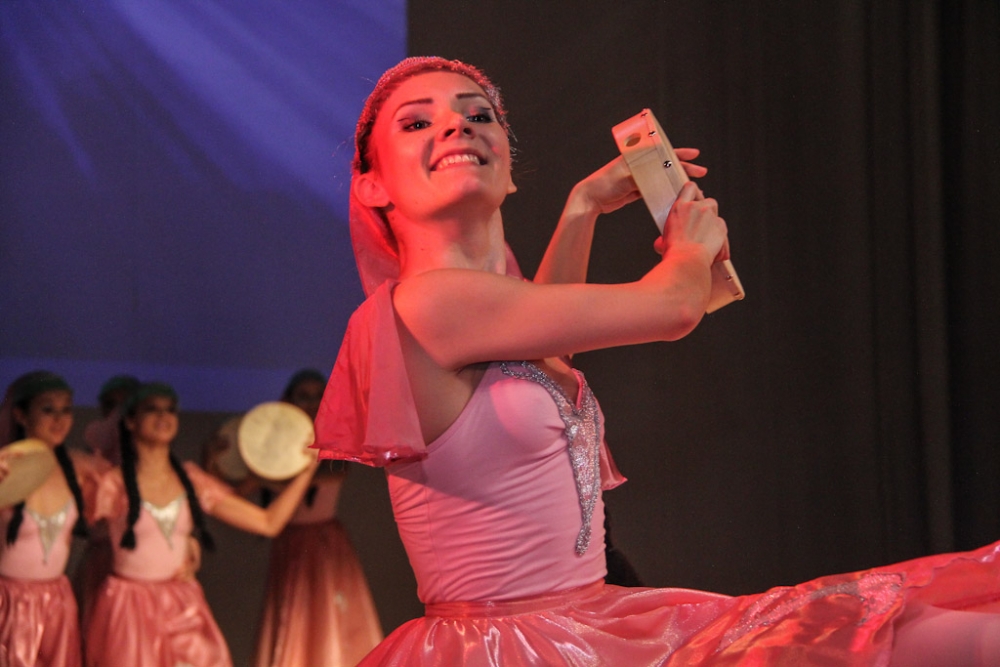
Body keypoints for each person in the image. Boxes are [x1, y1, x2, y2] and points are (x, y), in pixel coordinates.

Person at [312, 56, 1000, 666]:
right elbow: (672, 307)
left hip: (587, 622)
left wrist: (583, 207)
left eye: (478, 114)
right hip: (511, 645)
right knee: (895, 635)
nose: (456, 126)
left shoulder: (487, 312)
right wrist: (693, 247)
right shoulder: (429, 302)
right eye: (417, 122)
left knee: (907, 629)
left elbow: (548, 353)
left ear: (510, 168)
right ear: (371, 186)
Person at [84, 382, 320, 667]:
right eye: (152, 409)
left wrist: (307, 470)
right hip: (128, 609)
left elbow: (268, 523)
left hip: (181, 609)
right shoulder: (113, 483)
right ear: (131, 421)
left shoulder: (191, 480)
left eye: (170, 409)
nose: (164, 416)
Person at [251, 369, 383, 667]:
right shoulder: (273, 449)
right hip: (292, 542)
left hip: (324, 542)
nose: (311, 403)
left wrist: (273, 478)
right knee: (293, 613)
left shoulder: (335, 443)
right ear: (289, 401)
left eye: (317, 397)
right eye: (304, 397)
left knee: (329, 612)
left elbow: (333, 476)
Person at [0, 371, 108, 667]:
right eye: (48, 409)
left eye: (66, 410)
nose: (59, 419)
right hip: (8, 603)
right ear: (21, 415)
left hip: (57, 603)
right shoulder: (5, 467)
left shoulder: (81, 468)